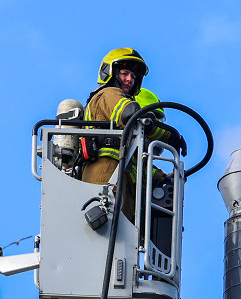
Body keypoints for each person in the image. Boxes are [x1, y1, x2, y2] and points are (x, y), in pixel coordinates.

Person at [79, 48, 185, 221]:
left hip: (118, 185)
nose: (129, 79)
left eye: (134, 76)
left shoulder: (127, 145)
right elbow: (131, 114)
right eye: (124, 73)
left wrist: (164, 178)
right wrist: (169, 136)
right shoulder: (107, 94)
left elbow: (138, 166)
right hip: (104, 181)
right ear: (110, 73)